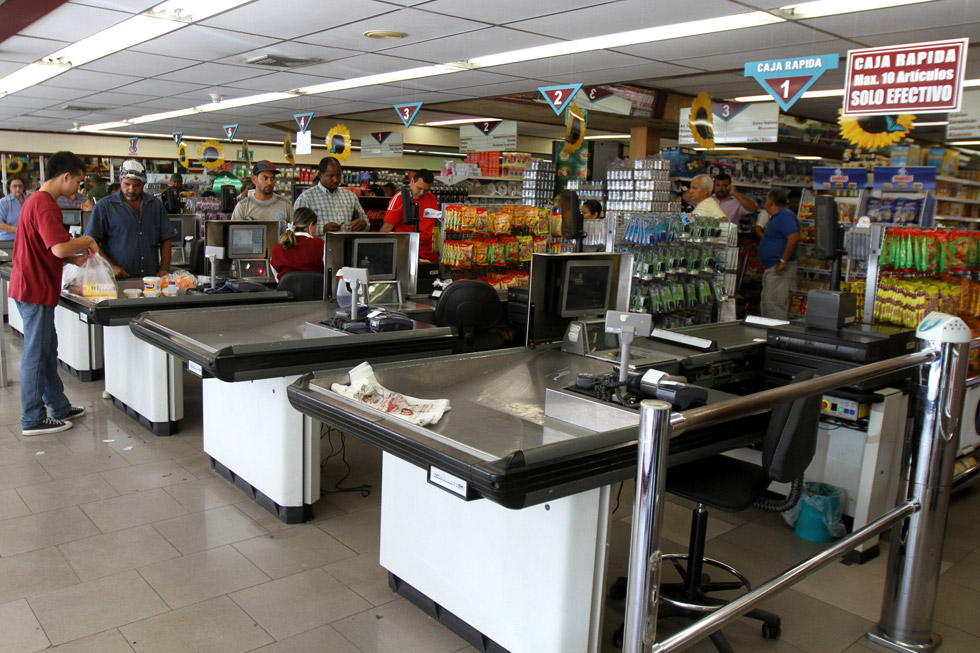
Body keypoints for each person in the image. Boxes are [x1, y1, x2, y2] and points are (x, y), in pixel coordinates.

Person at [9, 151, 99, 435]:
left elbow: (46, 249)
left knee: (47, 351)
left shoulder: (36, 200)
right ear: (65, 176)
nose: (78, 188)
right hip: (34, 289)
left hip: (34, 287)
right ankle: (32, 418)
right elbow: (59, 248)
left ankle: (58, 406)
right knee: (36, 354)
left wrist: (73, 259)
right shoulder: (45, 204)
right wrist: (87, 240)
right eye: (78, 181)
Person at [85, 159, 176, 279]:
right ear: (120, 180)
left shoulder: (155, 205)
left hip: (150, 280)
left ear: (143, 183)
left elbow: (166, 239)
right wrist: (110, 266)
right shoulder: (105, 207)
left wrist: (164, 269)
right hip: (117, 280)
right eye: (127, 184)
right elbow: (90, 242)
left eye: (136, 185)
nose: (131, 189)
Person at [294, 156, 368, 235]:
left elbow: (366, 222)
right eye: (331, 176)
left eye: (338, 175)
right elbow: (296, 229)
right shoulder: (306, 198)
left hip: (346, 242)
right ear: (320, 175)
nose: (335, 180)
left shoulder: (350, 196)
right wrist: (322, 229)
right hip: (320, 243)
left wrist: (364, 223)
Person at [757, 189, 800, 320]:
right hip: (772, 267)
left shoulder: (785, 216)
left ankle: (776, 330)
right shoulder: (777, 216)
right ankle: (767, 329)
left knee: (775, 304)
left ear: (771, 201)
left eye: (766, 199)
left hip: (780, 268)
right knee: (767, 301)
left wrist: (783, 261)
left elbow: (793, 238)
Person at [380, 169, 439, 263]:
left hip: (431, 258)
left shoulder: (431, 198)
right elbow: (385, 230)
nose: (421, 193)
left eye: (426, 190)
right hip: (408, 258)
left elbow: (435, 223)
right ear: (412, 181)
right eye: (419, 188)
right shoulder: (400, 199)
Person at [270, 207, 323, 279]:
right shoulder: (320, 245)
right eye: (316, 227)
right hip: (315, 286)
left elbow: (277, 276)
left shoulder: (278, 246)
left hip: (286, 286)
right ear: (311, 225)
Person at [0, 176, 27, 240]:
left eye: (20, 186)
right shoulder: (3, 202)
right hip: (9, 239)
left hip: (27, 238)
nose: (18, 189)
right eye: (14, 186)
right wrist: (18, 229)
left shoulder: (30, 200)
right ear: (9, 188)